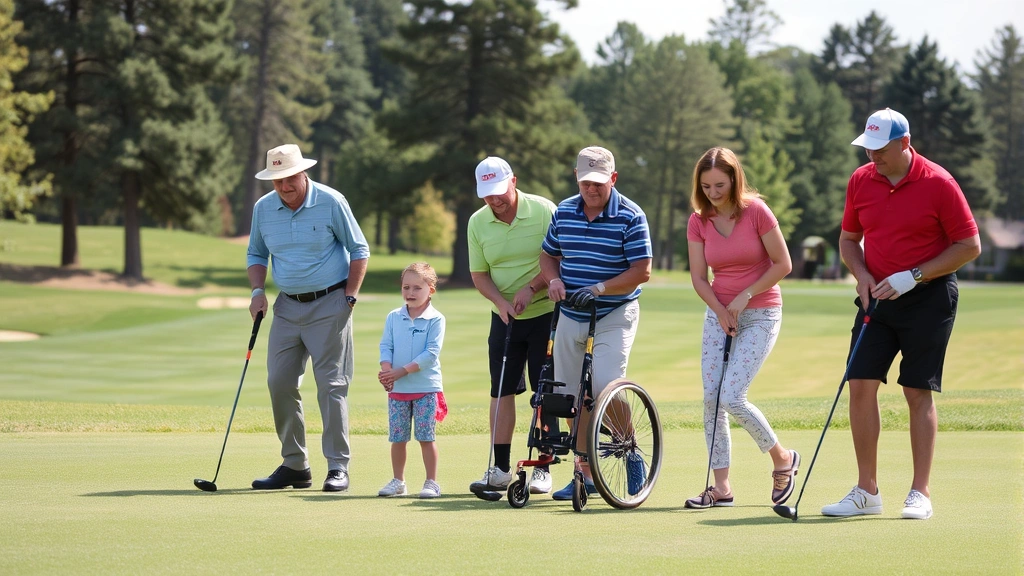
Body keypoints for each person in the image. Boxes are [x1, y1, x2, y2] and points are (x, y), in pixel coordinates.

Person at [822, 108, 980, 520]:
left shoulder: (939, 183)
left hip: (929, 298)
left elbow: (969, 246)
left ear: (904, 144)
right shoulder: (861, 180)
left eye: (880, 149)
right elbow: (849, 239)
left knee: (916, 390)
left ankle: (920, 492)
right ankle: (866, 491)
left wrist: (915, 275)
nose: (872, 156)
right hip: (876, 297)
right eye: (867, 148)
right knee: (859, 384)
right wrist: (860, 276)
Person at [247, 144, 369, 492]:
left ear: (304, 173)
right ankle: (295, 464)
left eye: (289, 180)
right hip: (286, 307)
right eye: (277, 182)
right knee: (279, 382)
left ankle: (337, 467)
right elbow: (257, 252)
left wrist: (350, 296)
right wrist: (258, 291)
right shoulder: (263, 209)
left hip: (331, 303)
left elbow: (359, 249)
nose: (284, 188)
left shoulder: (331, 201)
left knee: (331, 386)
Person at [683, 147, 800, 509]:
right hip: (719, 313)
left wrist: (745, 295)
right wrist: (720, 310)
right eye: (706, 186)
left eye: (719, 185)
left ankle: (783, 459)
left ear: (734, 180)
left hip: (761, 312)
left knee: (732, 396)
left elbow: (783, 264)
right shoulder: (698, 220)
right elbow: (699, 278)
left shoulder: (757, 212)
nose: (713, 193)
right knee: (711, 399)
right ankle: (721, 487)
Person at [539, 145, 652, 500]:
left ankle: (630, 452)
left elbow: (641, 271)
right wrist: (553, 279)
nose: (592, 189)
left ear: (613, 179)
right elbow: (548, 254)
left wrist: (600, 288)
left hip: (614, 312)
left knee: (604, 382)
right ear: (577, 178)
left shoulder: (631, 215)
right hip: (571, 312)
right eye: (586, 182)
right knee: (570, 395)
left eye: (599, 183)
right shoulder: (564, 211)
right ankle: (584, 472)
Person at [466, 156, 559, 495]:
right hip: (505, 316)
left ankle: (543, 467)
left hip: (546, 312)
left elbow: (558, 257)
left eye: (500, 191)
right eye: (488, 194)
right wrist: (500, 303)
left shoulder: (544, 210)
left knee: (545, 389)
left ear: (514, 181)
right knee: (501, 389)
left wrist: (531, 287)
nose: (495, 200)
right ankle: (501, 468)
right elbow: (479, 274)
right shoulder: (477, 222)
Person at [377, 263, 447, 499]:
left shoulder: (436, 319)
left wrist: (400, 372)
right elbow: (386, 345)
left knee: (426, 437)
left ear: (431, 290)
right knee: (398, 438)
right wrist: (387, 371)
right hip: (398, 388)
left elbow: (431, 354)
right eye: (406, 287)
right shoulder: (393, 317)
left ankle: (431, 483)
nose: (411, 292)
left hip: (426, 387)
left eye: (417, 287)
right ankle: (398, 481)